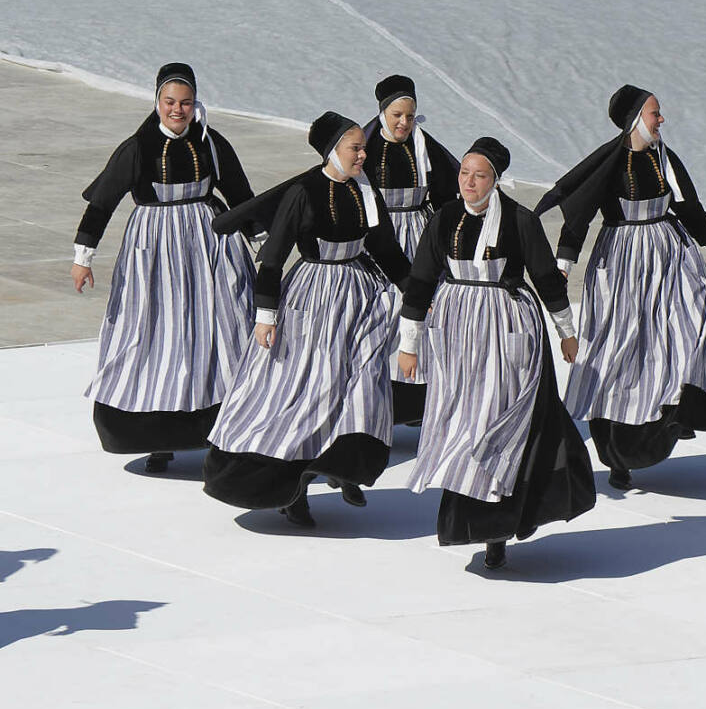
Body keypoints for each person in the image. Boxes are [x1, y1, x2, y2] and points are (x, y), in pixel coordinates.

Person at [203, 111, 411, 525]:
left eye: (363, 148)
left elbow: (387, 250)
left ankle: (344, 465)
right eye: (355, 148)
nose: (362, 155)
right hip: (313, 296)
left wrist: (419, 295)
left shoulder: (366, 191)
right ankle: (291, 490)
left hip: (360, 296)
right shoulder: (303, 192)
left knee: (363, 384)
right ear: (332, 150)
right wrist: (266, 316)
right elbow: (273, 258)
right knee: (305, 393)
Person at [398, 138, 595, 570]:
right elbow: (421, 280)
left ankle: (498, 528)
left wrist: (566, 332)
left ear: (496, 180)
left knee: (499, 424)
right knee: (462, 424)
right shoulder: (444, 218)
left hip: (507, 329)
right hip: (456, 333)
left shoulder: (521, 220)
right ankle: (471, 520)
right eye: (464, 173)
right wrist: (408, 344)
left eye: (480, 175)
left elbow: (546, 278)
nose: (469, 182)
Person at [541, 86, 706, 491]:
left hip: (669, 258)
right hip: (622, 260)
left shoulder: (665, 158)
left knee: (684, 331)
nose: (661, 119)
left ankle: (679, 407)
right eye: (655, 113)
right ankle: (619, 452)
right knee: (622, 350)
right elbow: (578, 217)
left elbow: (689, 207)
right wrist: (563, 264)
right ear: (636, 119)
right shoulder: (610, 162)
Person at [70, 63, 258, 473]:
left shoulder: (211, 143)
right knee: (155, 333)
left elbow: (241, 195)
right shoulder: (138, 147)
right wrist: (83, 258)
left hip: (210, 246)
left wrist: (262, 242)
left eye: (185, 102)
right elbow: (102, 202)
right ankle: (157, 439)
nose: (178, 110)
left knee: (218, 331)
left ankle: (223, 428)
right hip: (155, 248)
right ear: (157, 102)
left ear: (195, 103)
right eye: (170, 102)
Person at [362, 74, 459, 426]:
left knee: (426, 314)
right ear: (382, 112)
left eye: (410, 115)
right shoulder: (366, 145)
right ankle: (378, 402)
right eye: (397, 115)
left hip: (419, 235)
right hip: (379, 237)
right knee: (382, 315)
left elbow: (447, 192)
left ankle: (420, 402)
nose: (404, 122)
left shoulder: (424, 145)